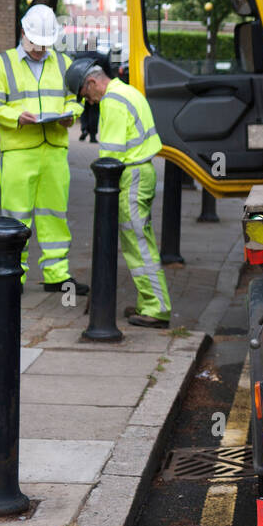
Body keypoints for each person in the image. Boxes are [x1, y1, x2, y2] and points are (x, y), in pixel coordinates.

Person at [0, 4, 88, 295]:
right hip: (18, 150)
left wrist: (70, 113)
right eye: (36, 43)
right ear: (23, 32)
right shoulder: (1, 64)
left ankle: (57, 274)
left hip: (54, 149)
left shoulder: (64, 63)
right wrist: (16, 117)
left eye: (45, 43)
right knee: (16, 217)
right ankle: (15, 275)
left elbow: (77, 99)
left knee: (55, 216)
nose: (40, 49)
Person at [64, 58, 171, 328]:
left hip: (131, 177)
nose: (88, 101)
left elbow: (109, 158)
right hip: (142, 172)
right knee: (140, 241)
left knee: (138, 245)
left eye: (85, 94)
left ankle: (156, 307)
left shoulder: (112, 101)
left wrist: (103, 192)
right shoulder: (128, 91)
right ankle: (148, 302)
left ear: (91, 82)